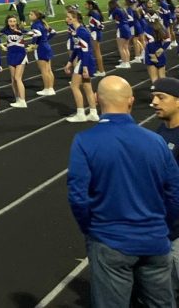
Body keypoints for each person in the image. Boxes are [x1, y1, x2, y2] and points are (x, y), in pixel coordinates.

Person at [68, 75, 179, 307]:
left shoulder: (85, 141)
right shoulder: (155, 140)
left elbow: (78, 197)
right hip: (156, 241)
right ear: (131, 101)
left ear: (96, 99)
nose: (155, 102)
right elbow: (174, 193)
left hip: (111, 240)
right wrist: (164, 227)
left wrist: (92, 229)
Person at [149, 77, 179, 294]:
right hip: (162, 225)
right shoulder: (160, 131)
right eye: (153, 97)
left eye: (161, 97)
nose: (154, 102)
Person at [63, 6, 98, 123]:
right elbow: (77, 50)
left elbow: (86, 51)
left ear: (74, 19)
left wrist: (85, 67)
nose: (66, 19)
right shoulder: (77, 31)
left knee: (74, 86)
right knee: (87, 87)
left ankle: (80, 114)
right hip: (84, 60)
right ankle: (93, 113)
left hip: (85, 61)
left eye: (68, 17)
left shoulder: (81, 32)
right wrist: (69, 62)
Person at [0, 14, 29, 109]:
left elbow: (36, 34)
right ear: (7, 22)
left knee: (18, 78)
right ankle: (17, 99)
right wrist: (2, 46)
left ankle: (23, 100)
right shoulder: (5, 30)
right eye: (10, 21)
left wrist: (20, 32)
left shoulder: (21, 30)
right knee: (13, 79)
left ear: (16, 22)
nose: (12, 23)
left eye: (13, 21)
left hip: (20, 55)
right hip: (11, 55)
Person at [28, 10, 56, 96]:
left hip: (40, 48)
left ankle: (46, 88)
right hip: (47, 46)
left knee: (44, 70)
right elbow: (53, 32)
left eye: (31, 14)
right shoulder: (43, 23)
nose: (29, 15)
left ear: (36, 16)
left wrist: (33, 44)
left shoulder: (35, 24)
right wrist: (45, 40)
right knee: (49, 70)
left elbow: (36, 35)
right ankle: (51, 88)